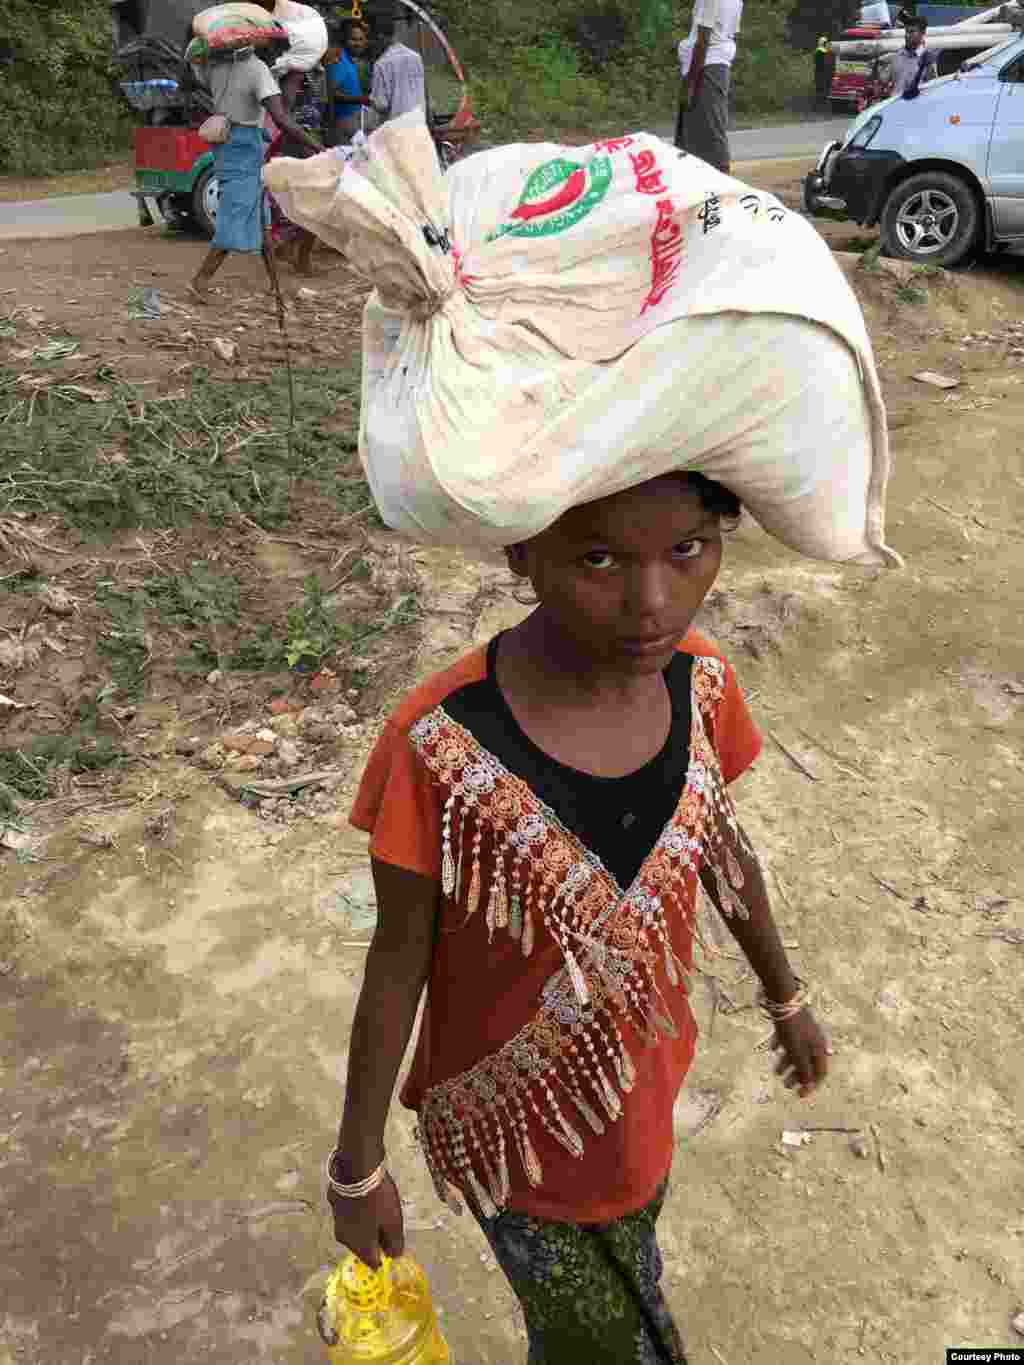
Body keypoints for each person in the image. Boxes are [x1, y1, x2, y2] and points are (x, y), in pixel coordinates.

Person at [327, 471, 832, 1361]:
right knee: (595, 1339)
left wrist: (785, 996)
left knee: (629, 1272)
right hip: (519, 1140)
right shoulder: (440, 743)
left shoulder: (702, 685)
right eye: (599, 558)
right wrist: (356, 1167)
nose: (652, 602)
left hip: (644, 1100)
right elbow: (397, 959)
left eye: (688, 550)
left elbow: (721, 845)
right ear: (523, 551)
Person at [188, 40, 320, 302]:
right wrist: (317, 147)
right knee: (235, 216)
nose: (280, 54)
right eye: (278, 49)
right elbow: (282, 119)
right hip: (246, 148)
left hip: (227, 145)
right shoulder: (257, 69)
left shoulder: (218, 66)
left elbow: (197, 77)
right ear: (261, 44)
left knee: (262, 218)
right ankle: (199, 282)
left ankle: (275, 283)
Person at [675, 0, 744, 175]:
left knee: (710, 131)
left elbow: (703, 39)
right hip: (714, 66)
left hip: (706, 68)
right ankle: (697, 183)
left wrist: (690, 84)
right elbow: (729, 34)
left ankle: (724, 185)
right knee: (695, 133)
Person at [368, 13, 426, 124]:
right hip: (419, 124)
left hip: (397, 129)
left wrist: (370, 99)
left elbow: (381, 104)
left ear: (379, 37)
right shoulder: (416, 57)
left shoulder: (381, 64)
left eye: (372, 39)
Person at [327, 19, 375, 144]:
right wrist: (360, 99)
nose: (358, 43)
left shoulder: (350, 60)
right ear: (344, 40)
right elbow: (332, 93)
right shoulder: (339, 60)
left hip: (354, 120)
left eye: (360, 39)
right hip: (344, 122)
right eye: (353, 39)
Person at [883, 15, 937, 98]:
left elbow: (933, 89)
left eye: (911, 32)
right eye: (906, 32)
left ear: (922, 33)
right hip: (894, 107)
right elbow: (884, 83)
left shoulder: (928, 59)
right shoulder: (896, 56)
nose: (907, 35)